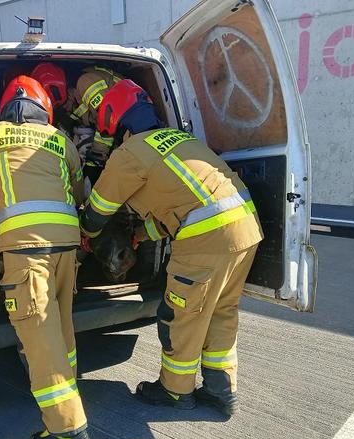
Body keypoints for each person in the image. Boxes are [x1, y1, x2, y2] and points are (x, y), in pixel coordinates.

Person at [80, 80, 264, 417]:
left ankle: (175, 392)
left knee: (179, 315)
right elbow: (177, 210)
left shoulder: (129, 153)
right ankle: (221, 391)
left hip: (207, 241)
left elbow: (98, 210)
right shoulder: (182, 139)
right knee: (220, 312)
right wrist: (139, 235)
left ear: (117, 123)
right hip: (245, 229)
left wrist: (86, 234)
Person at [0, 75, 92, 439]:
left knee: (40, 342)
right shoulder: (61, 139)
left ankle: (66, 430)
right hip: (67, 246)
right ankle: (68, 391)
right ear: (46, 109)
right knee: (61, 328)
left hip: (25, 250)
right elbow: (79, 188)